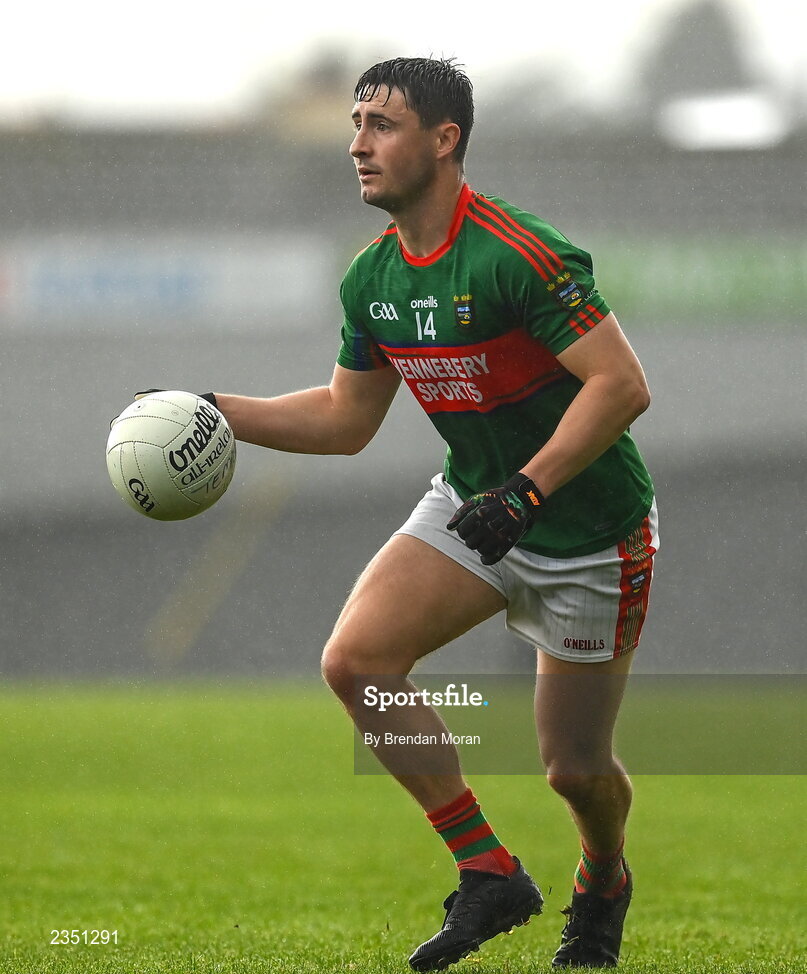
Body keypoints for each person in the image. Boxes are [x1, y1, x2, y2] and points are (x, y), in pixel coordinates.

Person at [139, 57, 658, 969]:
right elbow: (345, 422)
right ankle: (488, 872)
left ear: (443, 139)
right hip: (472, 508)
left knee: (573, 771)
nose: (357, 144)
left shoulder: (517, 253)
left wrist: (527, 491)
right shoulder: (371, 278)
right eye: (355, 124)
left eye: (380, 124)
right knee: (357, 661)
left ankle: (603, 877)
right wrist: (214, 409)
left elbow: (620, 385)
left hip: (586, 535)